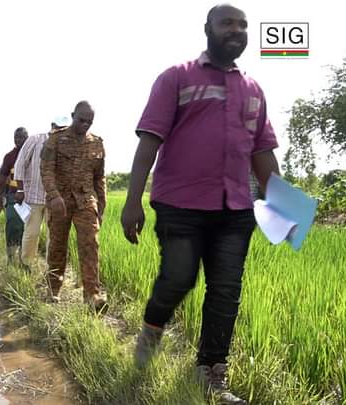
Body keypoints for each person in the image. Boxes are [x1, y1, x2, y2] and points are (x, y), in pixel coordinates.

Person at [121, 5, 279, 404]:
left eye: (243, 25)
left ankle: (211, 372)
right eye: (228, 23)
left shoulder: (254, 89)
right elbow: (148, 143)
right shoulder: (176, 77)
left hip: (236, 208)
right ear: (207, 29)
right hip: (181, 204)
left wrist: (281, 204)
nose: (237, 30)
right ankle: (152, 328)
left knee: (226, 291)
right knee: (179, 278)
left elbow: (262, 153)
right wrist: (133, 200)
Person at [40, 102, 106, 311]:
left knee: (90, 245)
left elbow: (99, 178)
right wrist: (54, 196)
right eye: (81, 120)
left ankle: (92, 295)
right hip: (61, 202)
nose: (85, 124)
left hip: (86, 201)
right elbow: (46, 170)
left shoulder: (97, 143)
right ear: (72, 116)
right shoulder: (56, 140)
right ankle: (54, 288)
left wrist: (101, 207)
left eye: (89, 122)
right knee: (58, 245)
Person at [14, 117, 70, 269]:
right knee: (32, 234)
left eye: (64, 129)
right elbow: (20, 164)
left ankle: (52, 269)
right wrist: (20, 189)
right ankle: (26, 264)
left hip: (54, 200)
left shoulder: (67, 145)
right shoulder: (35, 140)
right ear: (52, 126)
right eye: (59, 128)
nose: (62, 132)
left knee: (54, 235)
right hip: (33, 196)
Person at [0, 127, 28, 263]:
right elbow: (2, 177)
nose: (18, 140)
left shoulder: (33, 154)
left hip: (30, 198)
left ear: (27, 138)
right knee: (12, 225)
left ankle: (24, 260)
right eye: (16, 137)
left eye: (21, 137)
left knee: (26, 229)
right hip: (14, 197)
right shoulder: (9, 157)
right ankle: (11, 258)